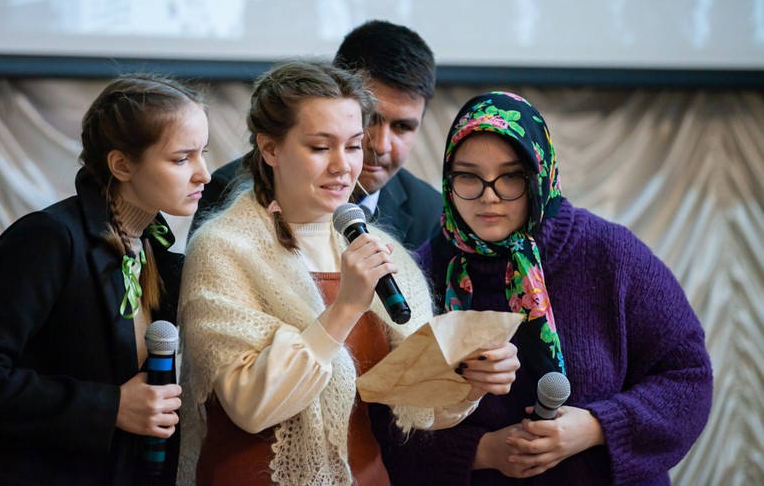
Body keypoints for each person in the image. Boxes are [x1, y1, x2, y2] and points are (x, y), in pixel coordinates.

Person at [176, 61, 520, 486]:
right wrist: (347, 306)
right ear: (270, 149)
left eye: (354, 146)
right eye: (321, 147)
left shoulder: (378, 246)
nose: (344, 166)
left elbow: (415, 402)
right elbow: (250, 406)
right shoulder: (224, 247)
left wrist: (471, 376)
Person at [374, 91, 714, 485]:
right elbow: (385, 422)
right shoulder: (422, 273)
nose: (489, 195)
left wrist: (593, 427)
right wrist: (483, 451)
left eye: (511, 176)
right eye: (468, 176)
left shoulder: (609, 255)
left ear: (540, 175)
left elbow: (688, 377)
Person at [0, 75, 212, 485]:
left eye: (203, 153)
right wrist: (109, 406)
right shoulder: (48, 238)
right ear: (122, 164)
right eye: (181, 159)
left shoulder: (154, 250)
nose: (203, 174)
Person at [190, 19, 441, 250]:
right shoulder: (228, 190)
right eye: (370, 119)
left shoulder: (430, 213)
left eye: (403, 127)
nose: (382, 145)